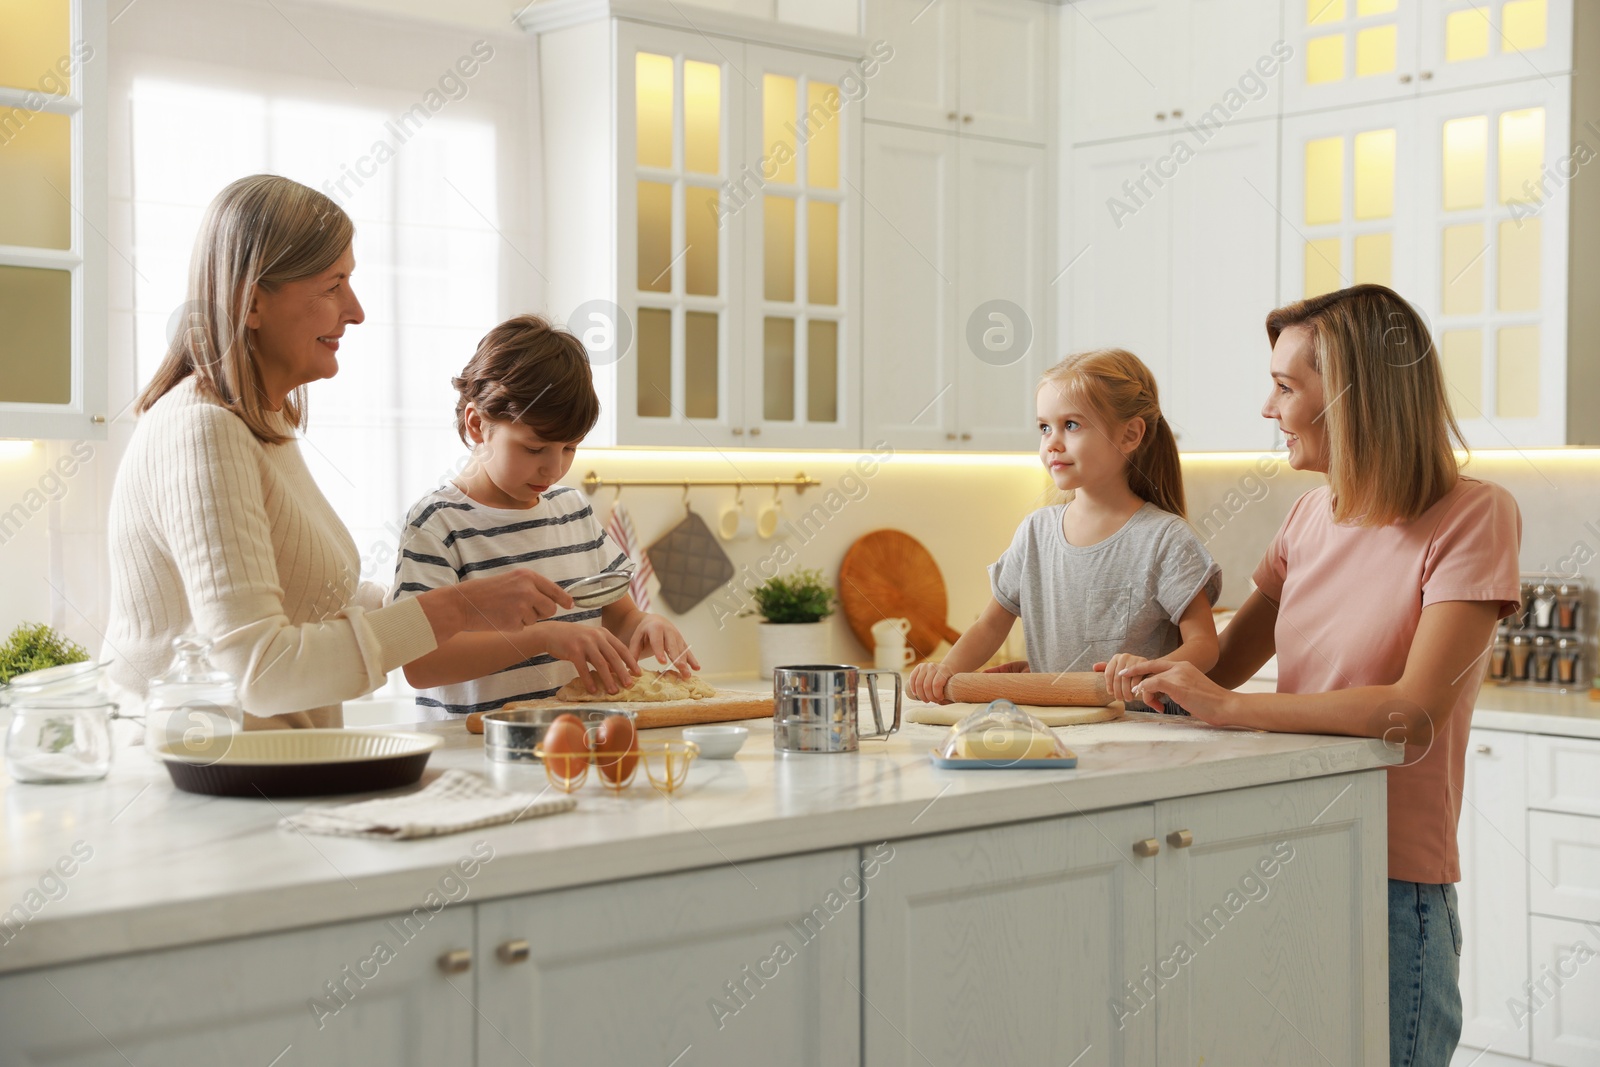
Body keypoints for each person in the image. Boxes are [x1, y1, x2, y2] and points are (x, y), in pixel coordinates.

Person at [1125, 285, 1522, 1067]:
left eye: (1284, 386)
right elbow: (1221, 662)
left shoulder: (1473, 517)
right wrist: (1153, 669)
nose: (1267, 408)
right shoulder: (1309, 516)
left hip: (1390, 874)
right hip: (1286, 843)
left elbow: (1412, 712)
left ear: (1351, 395)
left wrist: (1229, 709)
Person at [105, 176, 573, 728]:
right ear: (251, 302)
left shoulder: (261, 422)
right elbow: (258, 674)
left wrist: (452, 597)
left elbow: (315, 602)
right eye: (334, 285)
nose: (356, 311)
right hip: (200, 781)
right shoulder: (202, 432)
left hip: (269, 775)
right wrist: (458, 608)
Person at [390, 314, 700, 717]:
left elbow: (620, 616)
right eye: (534, 449)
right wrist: (541, 638)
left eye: (569, 448)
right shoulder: (438, 524)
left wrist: (644, 626)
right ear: (477, 425)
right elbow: (420, 664)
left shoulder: (572, 511)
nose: (553, 470)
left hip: (576, 746)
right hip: (478, 758)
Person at [908, 348, 1221, 708]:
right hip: (1057, 728)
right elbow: (989, 627)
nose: (1052, 443)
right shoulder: (1035, 533)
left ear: (1130, 435)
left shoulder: (1165, 539)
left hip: (1148, 731)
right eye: (1044, 427)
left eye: (1071, 425)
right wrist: (944, 671)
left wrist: (1151, 668)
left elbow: (1205, 647)